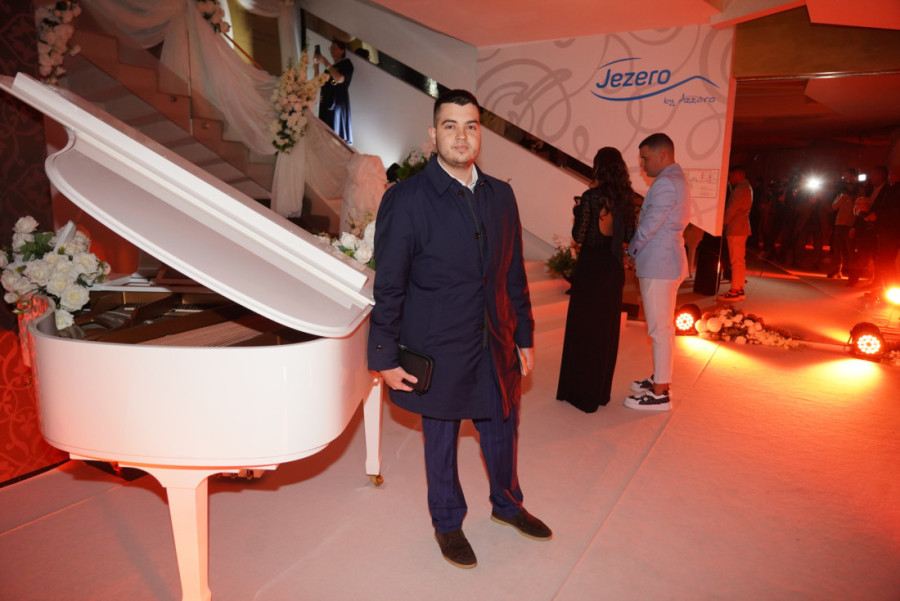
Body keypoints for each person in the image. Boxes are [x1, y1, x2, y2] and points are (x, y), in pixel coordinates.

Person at [367, 89, 551, 570]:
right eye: (450, 126)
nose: (461, 136)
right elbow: (390, 284)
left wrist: (524, 334)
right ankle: (447, 522)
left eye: (470, 125)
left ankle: (507, 504)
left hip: (495, 338)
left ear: (480, 134)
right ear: (434, 134)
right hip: (438, 344)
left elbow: (513, 274)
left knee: (503, 425)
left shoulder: (501, 195)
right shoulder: (406, 199)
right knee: (441, 439)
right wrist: (384, 355)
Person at [556, 147, 635, 412]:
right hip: (613, 270)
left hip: (591, 270)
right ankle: (598, 393)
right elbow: (629, 235)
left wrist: (579, 210)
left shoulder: (591, 197)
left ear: (598, 167)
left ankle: (580, 394)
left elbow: (580, 236)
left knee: (583, 330)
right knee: (604, 333)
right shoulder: (626, 198)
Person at [624, 133, 690, 411]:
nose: (642, 164)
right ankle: (660, 379)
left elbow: (650, 224)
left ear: (663, 154)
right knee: (661, 327)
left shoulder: (665, 182)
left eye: (645, 158)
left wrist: (631, 251)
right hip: (666, 261)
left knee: (660, 329)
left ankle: (660, 392)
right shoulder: (675, 178)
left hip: (659, 264)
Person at [718, 165, 753, 301]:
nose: (730, 179)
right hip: (741, 227)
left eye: (731, 176)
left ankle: (735, 291)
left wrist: (723, 223)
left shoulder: (740, 189)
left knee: (736, 261)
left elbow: (731, 209)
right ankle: (738, 288)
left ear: (738, 175)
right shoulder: (747, 187)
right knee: (739, 261)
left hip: (736, 228)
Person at [314, 39, 353, 144]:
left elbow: (339, 78)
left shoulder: (346, 64)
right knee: (326, 135)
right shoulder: (329, 69)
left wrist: (324, 61)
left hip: (337, 103)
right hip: (326, 103)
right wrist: (316, 65)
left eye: (335, 48)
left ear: (342, 50)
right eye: (331, 48)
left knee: (337, 134)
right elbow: (318, 83)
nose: (332, 50)